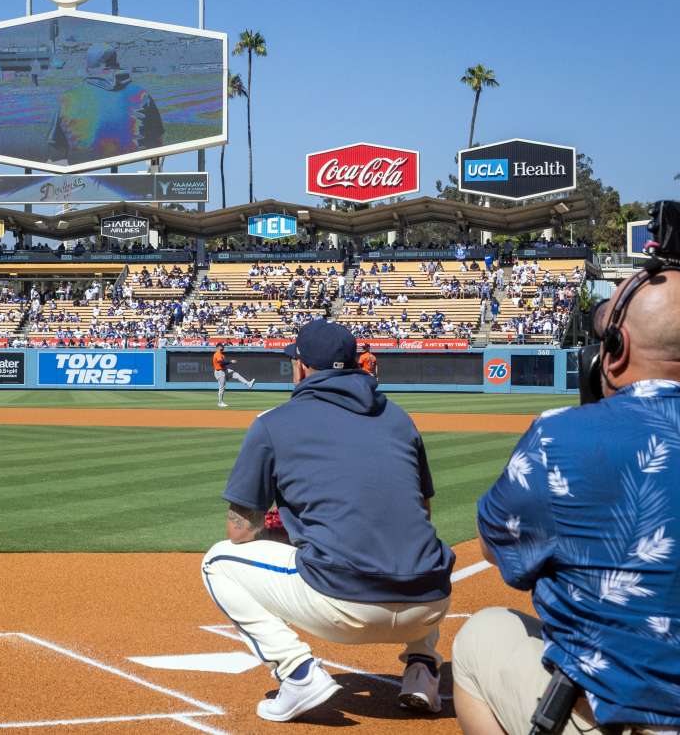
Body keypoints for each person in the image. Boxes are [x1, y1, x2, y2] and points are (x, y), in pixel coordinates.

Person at [453, 269, 680, 735]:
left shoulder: (559, 437)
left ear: (616, 352)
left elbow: (494, 548)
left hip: (622, 713)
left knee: (479, 636)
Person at [201, 319, 454, 722]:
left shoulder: (273, 422)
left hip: (343, 607)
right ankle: (423, 670)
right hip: (430, 602)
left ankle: (297, 673)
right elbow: (421, 514)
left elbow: (240, 531)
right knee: (413, 542)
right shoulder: (400, 418)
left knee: (217, 562)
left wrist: (286, 532)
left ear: (300, 368)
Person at [47, 44, 164, 166]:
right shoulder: (141, 94)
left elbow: (56, 156)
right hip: (132, 177)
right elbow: (157, 149)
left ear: (88, 68)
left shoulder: (67, 98)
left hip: (82, 180)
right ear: (116, 64)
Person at [212, 343, 255, 408]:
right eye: (221, 347)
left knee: (236, 374)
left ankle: (248, 384)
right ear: (218, 348)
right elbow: (221, 363)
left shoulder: (222, 355)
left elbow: (222, 364)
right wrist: (230, 361)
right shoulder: (217, 354)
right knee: (222, 387)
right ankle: (220, 403)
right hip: (219, 372)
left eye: (223, 347)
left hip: (225, 370)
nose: (223, 348)